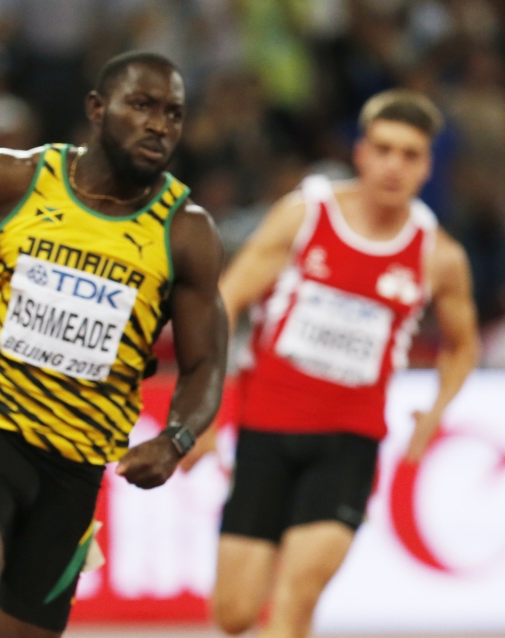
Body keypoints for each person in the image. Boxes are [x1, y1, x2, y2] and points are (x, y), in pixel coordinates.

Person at [0, 51, 228, 637]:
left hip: (76, 471)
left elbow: (207, 361)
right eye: (141, 105)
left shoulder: (186, 232)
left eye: (173, 114)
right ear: (96, 108)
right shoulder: (12, 179)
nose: (159, 125)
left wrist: (177, 439)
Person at [200, 89, 480, 638]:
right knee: (233, 614)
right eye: (384, 149)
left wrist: (436, 410)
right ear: (361, 152)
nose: (394, 166)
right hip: (267, 430)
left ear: (428, 165)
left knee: (295, 600)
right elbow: (226, 300)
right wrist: (206, 406)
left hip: (348, 443)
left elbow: (463, 345)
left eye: (410, 154)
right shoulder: (305, 216)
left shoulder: (437, 255)